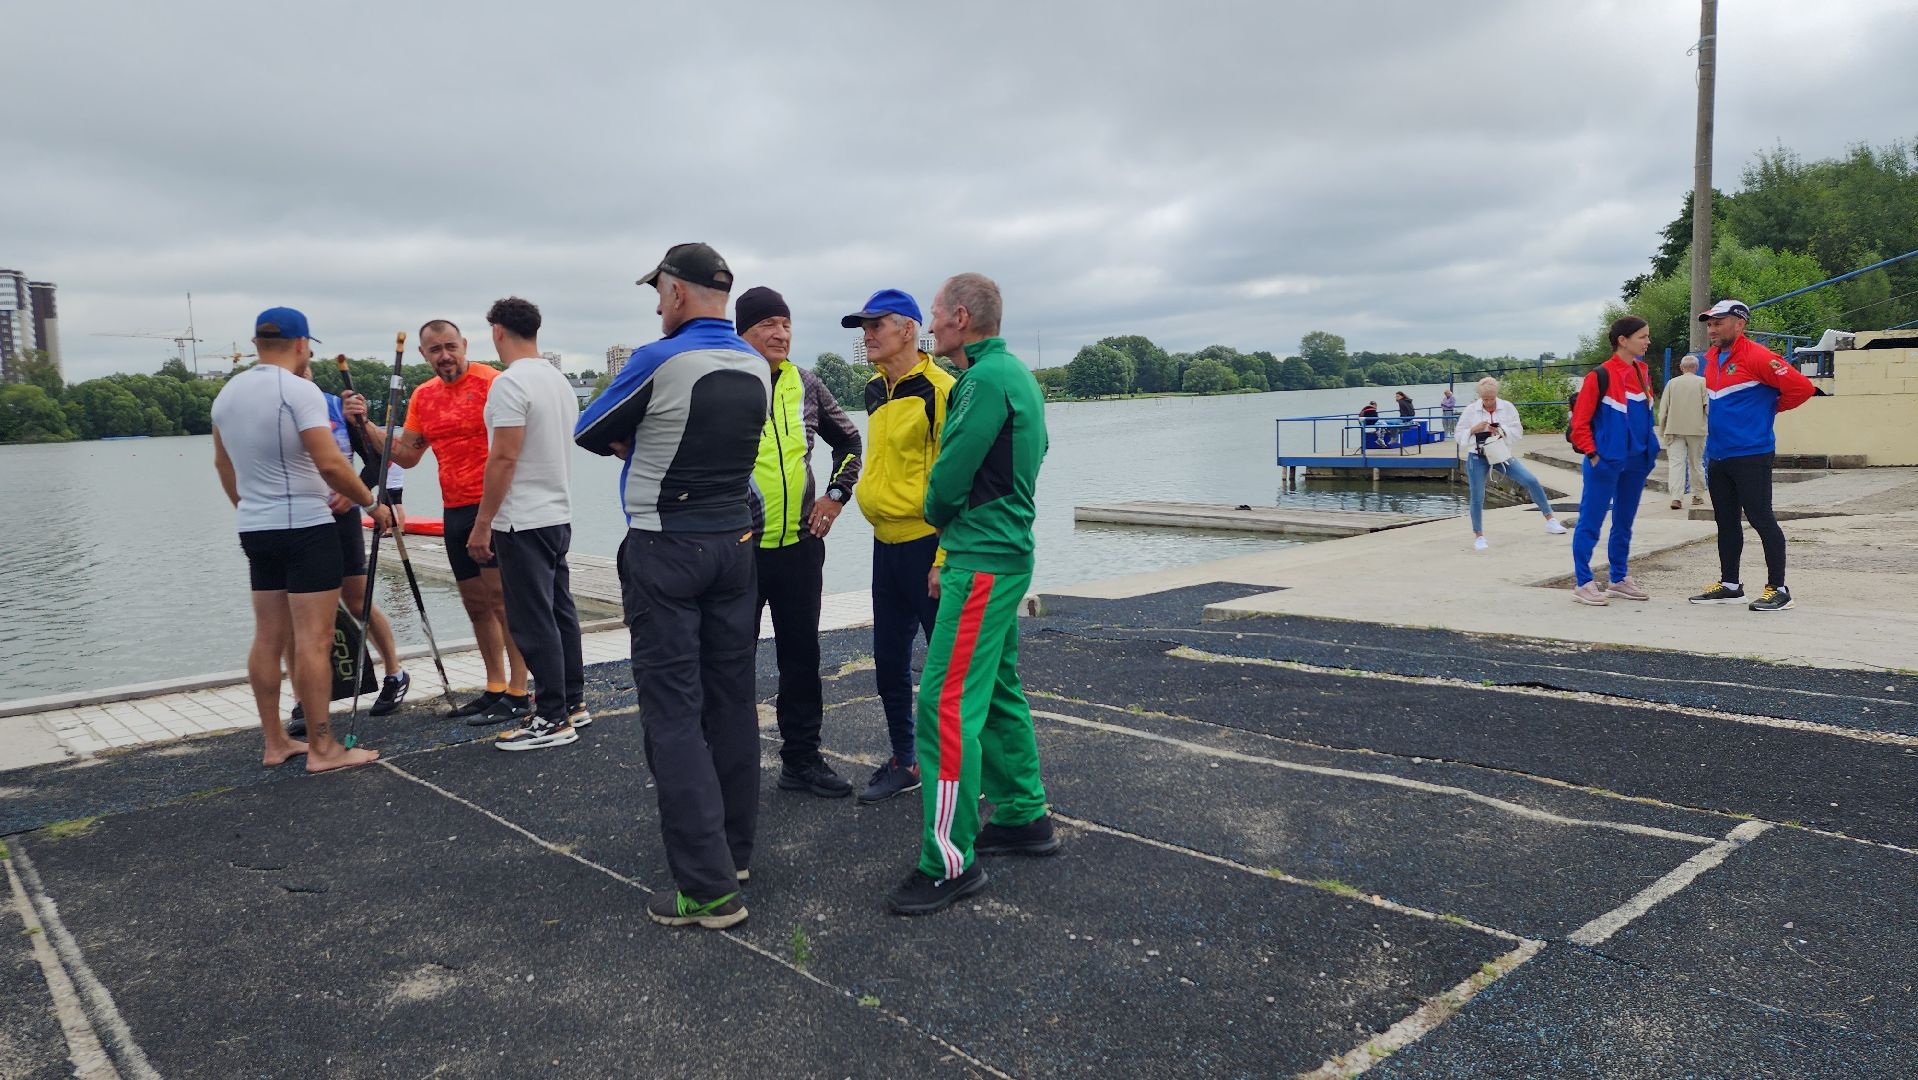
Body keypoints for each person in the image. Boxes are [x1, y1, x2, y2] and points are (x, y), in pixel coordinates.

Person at [575, 243, 768, 930]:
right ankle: (734, 854)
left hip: (666, 548)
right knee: (732, 703)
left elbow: (587, 429)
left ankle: (709, 890)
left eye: (658, 293)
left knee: (674, 713)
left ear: (679, 293)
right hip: (734, 546)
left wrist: (636, 442)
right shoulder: (756, 362)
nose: (657, 306)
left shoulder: (659, 358)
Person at [888, 273, 1053, 917]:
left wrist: (942, 526)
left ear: (960, 317)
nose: (929, 327)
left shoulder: (981, 381)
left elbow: (948, 477)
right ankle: (1022, 813)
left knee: (944, 702)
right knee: (1000, 686)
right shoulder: (1014, 375)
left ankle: (948, 861)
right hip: (1002, 553)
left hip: (981, 560)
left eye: (933, 315)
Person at [209, 307, 384, 773]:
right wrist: (371, 503)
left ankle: (275, 742)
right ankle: (324, 749)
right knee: (314, 637)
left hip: (256, 527)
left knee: (268, 636)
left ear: (257, 344)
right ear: (303, 344)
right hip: (306, 527)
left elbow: (223, 467)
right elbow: (329, 464)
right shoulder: (300, 390)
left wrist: (248, 510)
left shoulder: (227, 394)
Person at [347, 320, 532, 725]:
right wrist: (366, 425)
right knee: (476, 604)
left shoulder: (493, 383)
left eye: (451, 346)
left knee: (504, 602)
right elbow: (408, 455)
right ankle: (495, 686)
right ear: (423, 354)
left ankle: (521, 690)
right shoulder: (424, 395)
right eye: (435, 350)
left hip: (497, 503)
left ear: (465, 344)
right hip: (456, 508)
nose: (445, 355)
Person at [735, 286, 863, 797]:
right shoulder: (720, 382)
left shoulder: (806, 384)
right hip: (737, 551)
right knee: (730, 662)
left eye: (785, 323)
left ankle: (802, 761)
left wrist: (835, 495)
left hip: (799, 546)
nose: (780, 333)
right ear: (741, 331)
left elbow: (850, 442)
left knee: (801, 658)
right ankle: (731, 765)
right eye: (767, 324)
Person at [845, 288, 955, 805]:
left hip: (926, 547)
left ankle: (967, 773)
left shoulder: (942, 389)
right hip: (884, 545)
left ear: (908, 329)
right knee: (888, 662)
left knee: (951, 670)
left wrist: (943, 556)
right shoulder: (873, 389)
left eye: (875, 326)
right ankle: (905, 760)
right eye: (862, 328)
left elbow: (956, 481)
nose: (866, 336)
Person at [466, 297, 589, 751]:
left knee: (532, 619)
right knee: (560, 612)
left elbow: (503, 457)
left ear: (497, 331)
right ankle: (573, 703)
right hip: (557, 512)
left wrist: (483, 522)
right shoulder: (557, 380)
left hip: (521, 520)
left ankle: (553, 718)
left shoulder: (509, 384)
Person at [283, 377, 410, 738]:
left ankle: (394, 672)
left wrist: (358, 493)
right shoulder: (275, 407)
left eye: (304, 371)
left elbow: (376, 462)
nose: (298, 377)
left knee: (358, 602)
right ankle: (302, 698)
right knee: (297, 616)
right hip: (297, 521)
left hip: (340, 519)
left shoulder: (338, 406)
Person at [1689, 300, 1815, 611]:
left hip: (1752, 453)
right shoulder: (1710, 359)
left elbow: (1801, 388)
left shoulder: (1759, 356)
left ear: (1739, 324)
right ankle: (1730, 585)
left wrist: (1767, 410)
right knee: (1726, 522)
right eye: (1709, 323)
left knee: (1761, 519)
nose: (1712, 328)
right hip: (1718, 454)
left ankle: (1779, 588)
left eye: (1719, 322)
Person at [1567, 316, 1661, 606]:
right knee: (1591, 522)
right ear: (1623, 340)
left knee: (1624, 522)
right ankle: (1583, 582)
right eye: (1642, 337)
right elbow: (1580, 422)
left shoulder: (1642, 372)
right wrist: (1594, 455)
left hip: (1637, 460)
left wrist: (1648, 451)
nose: (1647, 341)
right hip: (1606, 461)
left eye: (1647, 336)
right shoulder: (1599, 375)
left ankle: (1618, 579)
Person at [1453, 376, 1568, 551]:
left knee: (1531, 480)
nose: (1489, 402)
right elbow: (1459, 435)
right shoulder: (1471, 410)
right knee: (1477, 495)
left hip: (1501, 454)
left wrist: (1500, 429)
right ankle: (1479, 536)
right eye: (1485, 399)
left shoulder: (1507, 407)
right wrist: (1473, 430)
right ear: (1480, 396)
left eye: (1491, 398)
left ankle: (1550, 519)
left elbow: (1517, 430)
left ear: (1496, 394)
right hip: (1477, 456)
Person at [1657, 354, 1709, 510]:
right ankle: (1698, 495)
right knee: (1696, 463)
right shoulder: (1702, 383)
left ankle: (1676, 498)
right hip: (1697, 430)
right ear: (1697, 367)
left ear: (1681, 368)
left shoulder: (1672, 383)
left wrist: (1663, 430)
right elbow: (1708, 406)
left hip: (1674, 429)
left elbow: (1663, 409)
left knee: (1676, 464)